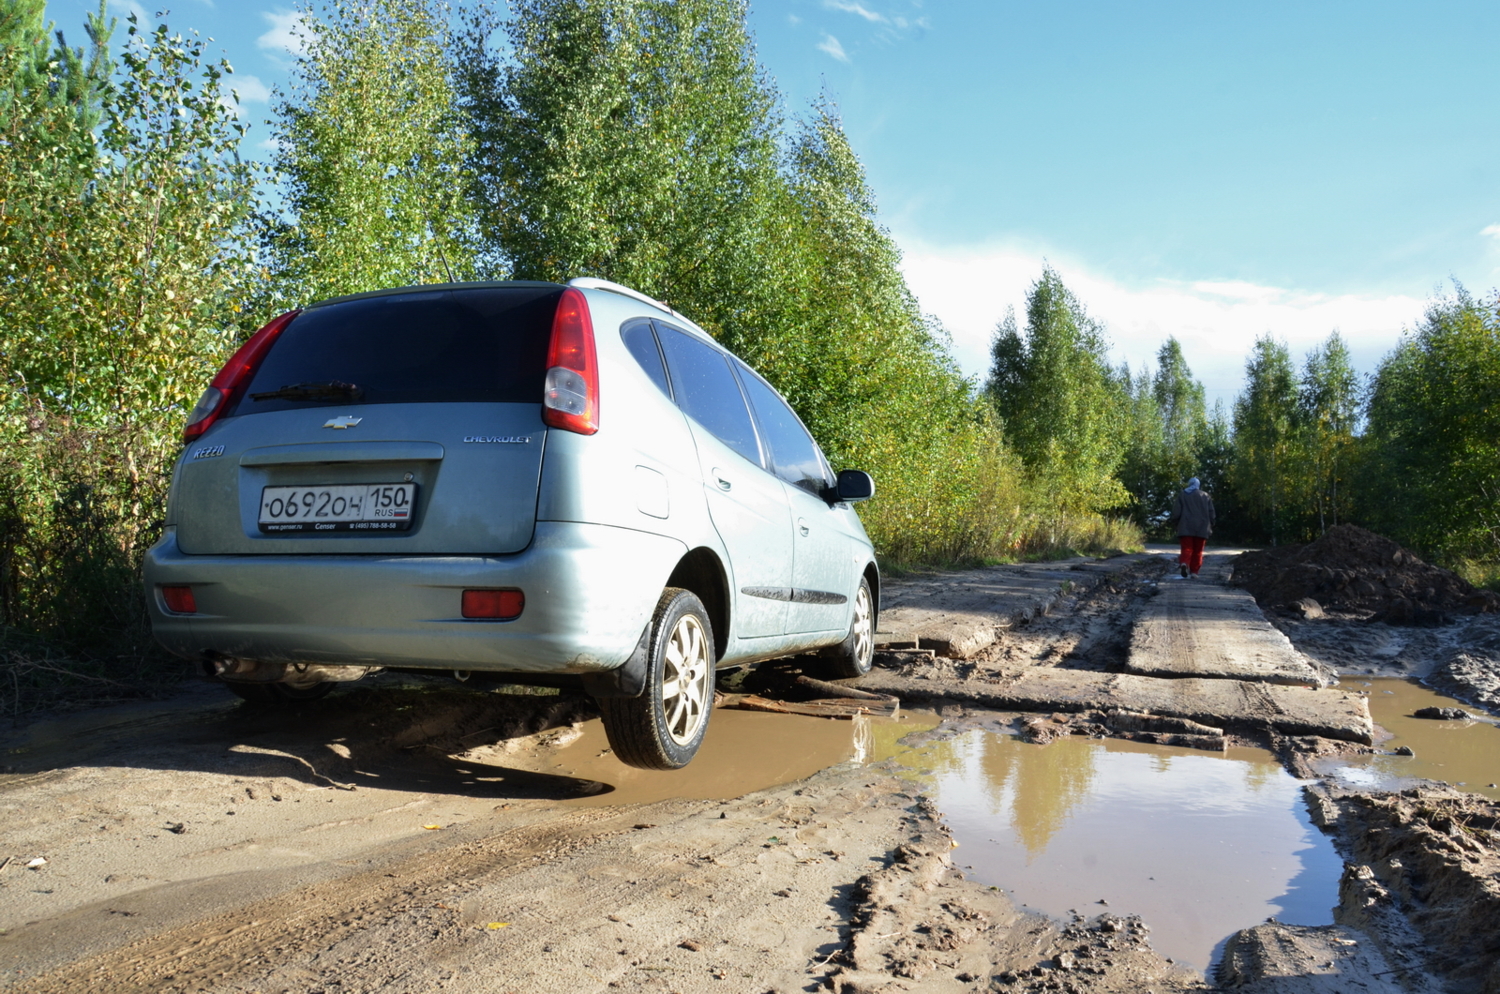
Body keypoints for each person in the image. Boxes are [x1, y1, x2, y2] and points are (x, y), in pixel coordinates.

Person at [1167, 477, 1215, 578]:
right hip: (1202, 527)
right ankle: (1194, 572)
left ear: (1189, 484)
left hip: (1185, 527)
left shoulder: (1183, 494)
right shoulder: (1206, 496)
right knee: (1198, 551)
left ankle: (1184, 563)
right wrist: (1211, 524)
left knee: (1187, 548)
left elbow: (1176, 512)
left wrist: (1175, 522)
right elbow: (1211, 513)